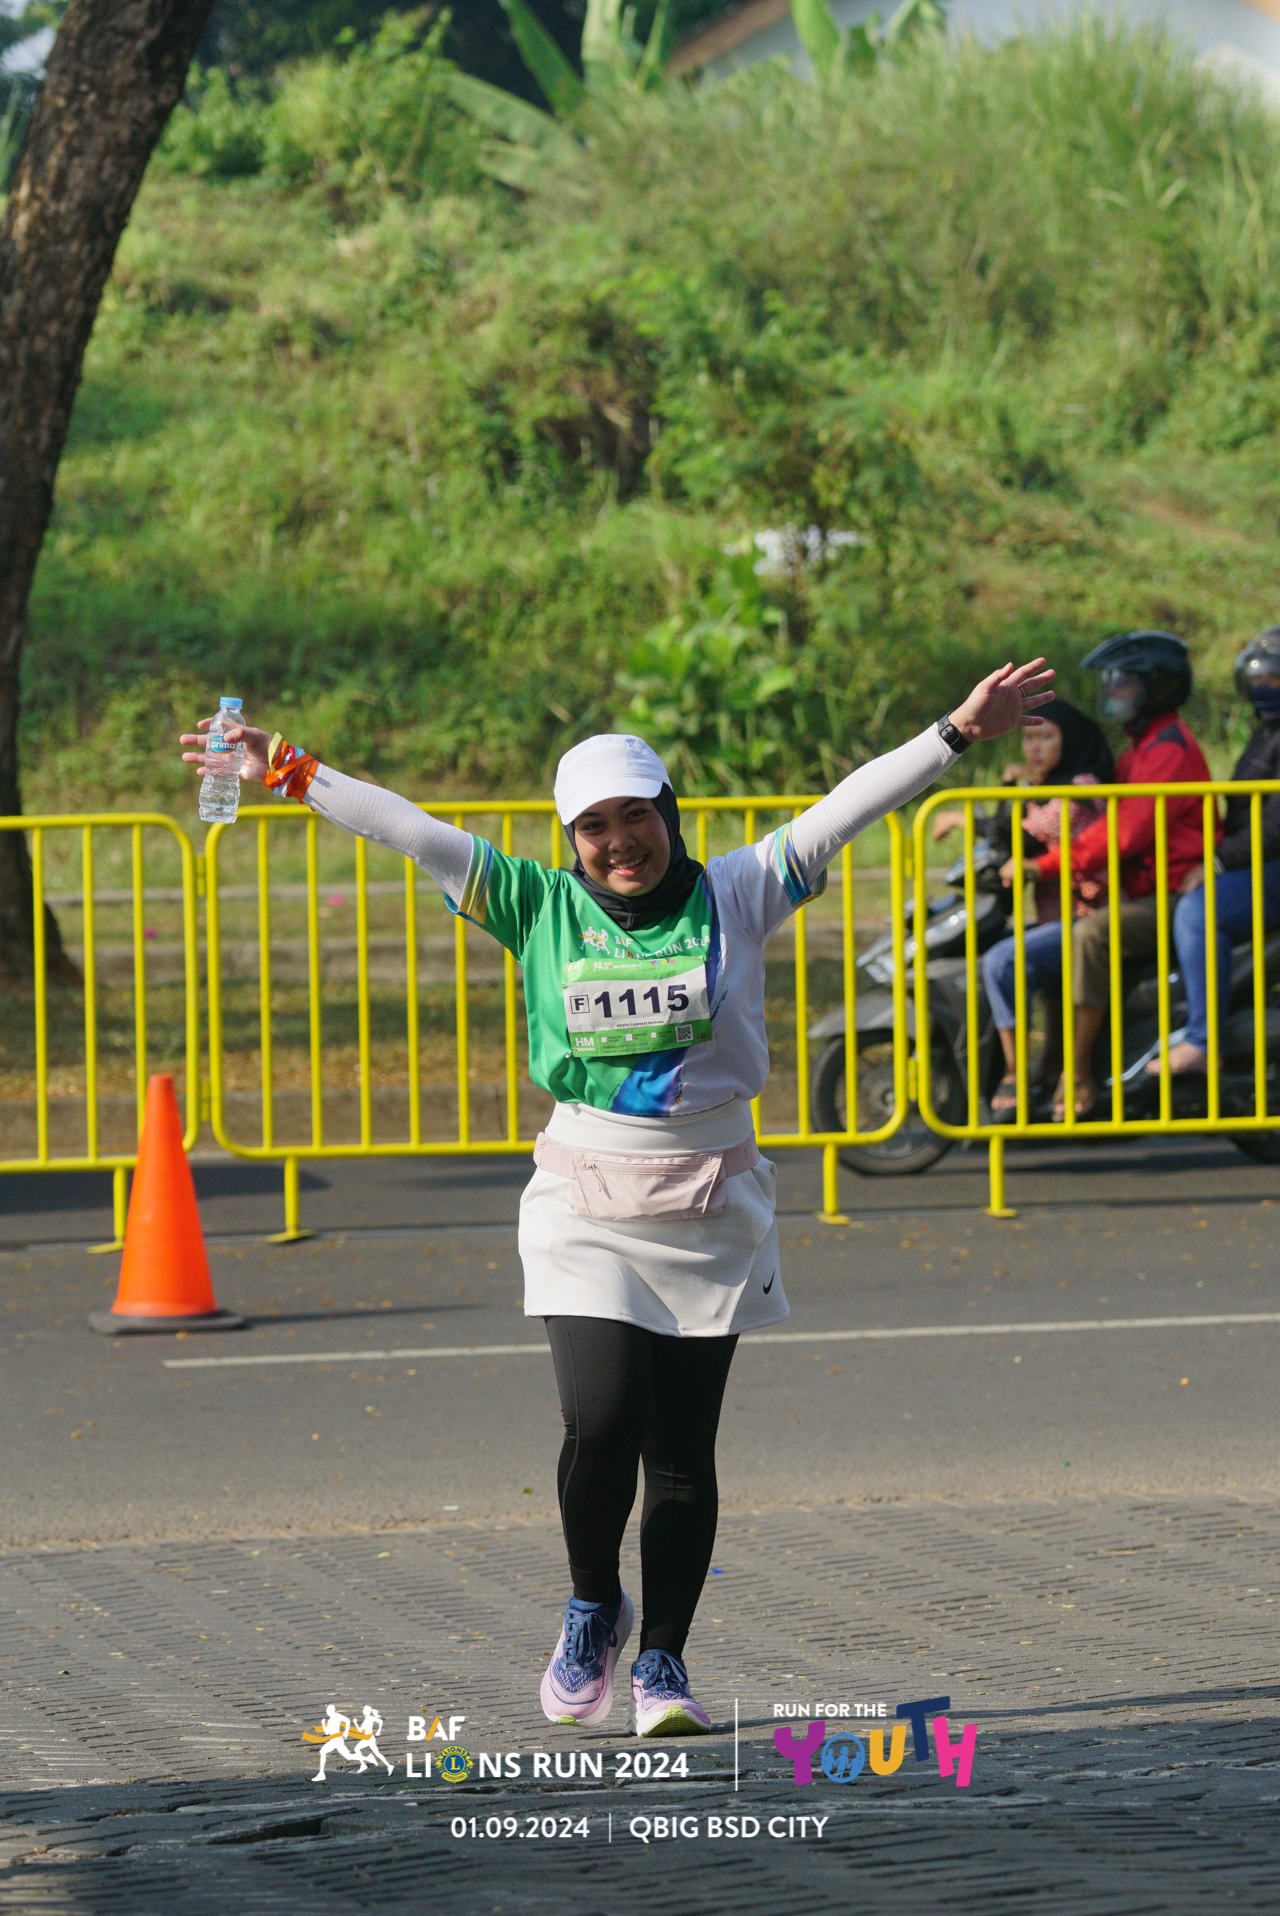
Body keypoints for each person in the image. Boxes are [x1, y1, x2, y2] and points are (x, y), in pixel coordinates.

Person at [181, 656, 1053, 1736]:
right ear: (571, 838)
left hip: (711, 1202)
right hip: (584, 1202)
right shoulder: (533, 902)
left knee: (681, 1455)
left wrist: (954, 732)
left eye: (634, 815)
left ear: (667, 813)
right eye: (592, 826)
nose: (618, 841)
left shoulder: (740, 888)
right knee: (600, 1422)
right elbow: (407, 828)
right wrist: (285, 767)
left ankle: (664, 1664)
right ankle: (593, 1601)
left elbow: (848, 806)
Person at [1027, 631, 1211, 1118]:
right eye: (1111, 683)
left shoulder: (1167, 750)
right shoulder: (1138, 750)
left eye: (1124, 684)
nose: (1112, 692)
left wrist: (1044, 864)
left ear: (1156, 688)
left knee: (1089, 935)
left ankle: (1078, 1073)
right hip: (1143, 891)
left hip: (1171, 894)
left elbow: (1125, 834)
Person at [933, 699, 1113, 1115]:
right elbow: (1009, 831)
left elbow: (1020, 835)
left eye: (1046, 737)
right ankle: (1041, 1068)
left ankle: (1014, 1073)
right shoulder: (1047, 785)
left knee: (1002, 961)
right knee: (996, 955)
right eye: (1029, 738)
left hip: (1090, 917)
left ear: (1070, 740)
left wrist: (960, 819)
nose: (1035, 747)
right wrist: (1013, 785)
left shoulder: (1081, 787)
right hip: (1058, 919)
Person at [1153, 627, 1280, 1075]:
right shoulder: (1267, 731)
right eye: (1258, 678)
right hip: (1259, 860)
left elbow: (1274, 827)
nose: (1264, 686)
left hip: (1272, 865)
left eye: (1274, 678)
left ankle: (1203, 1041)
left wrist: (1219, 861)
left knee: (1199, 914)